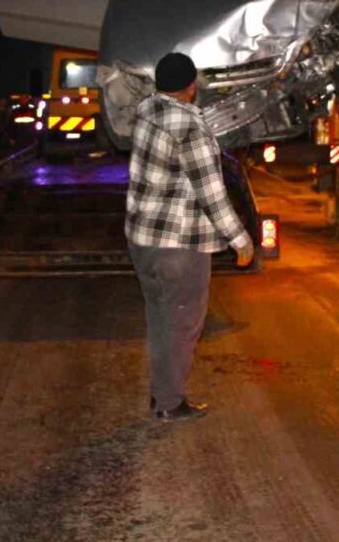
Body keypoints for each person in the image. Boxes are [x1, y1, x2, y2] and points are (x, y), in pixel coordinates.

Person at [126, 52, 254, 423]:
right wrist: (240, 240)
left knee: (160, 318)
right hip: (178, 244)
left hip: (143, 241)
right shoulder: (189, 128)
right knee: (182, 324)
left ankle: (161, 393)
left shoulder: (147, 113)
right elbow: (211, 193)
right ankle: (169, 402)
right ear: (191, 87)